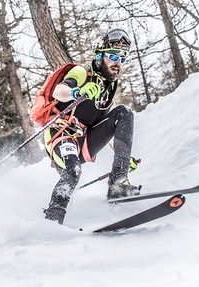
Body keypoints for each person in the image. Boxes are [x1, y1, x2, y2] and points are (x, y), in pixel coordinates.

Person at [43, 28, 140, 224]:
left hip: (84, 141)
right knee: (73, 172)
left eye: (123, 58)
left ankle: (118, 184)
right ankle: (52, 220)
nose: (117, 63)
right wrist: (76, 92)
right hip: (62, 135)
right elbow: (58, 92)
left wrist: (122, 157)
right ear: (100, 56)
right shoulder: (81, 72)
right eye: (113, 56)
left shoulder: (109, 86)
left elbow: (106, 126)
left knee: (124, 113)